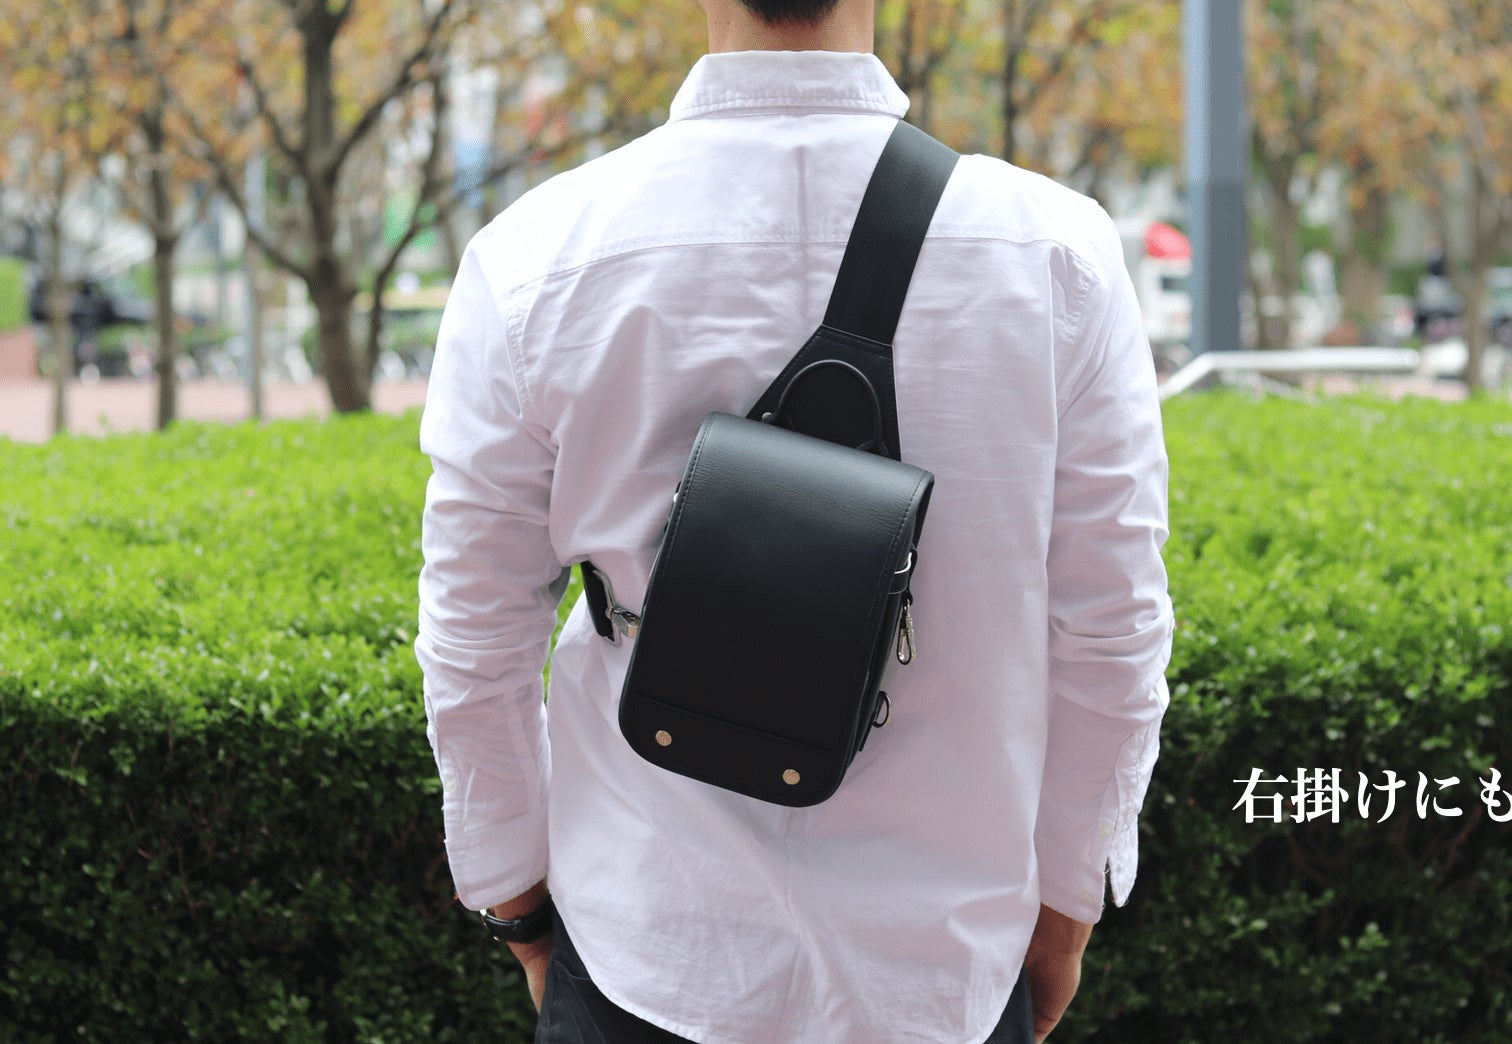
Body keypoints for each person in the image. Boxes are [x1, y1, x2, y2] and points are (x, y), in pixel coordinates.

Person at [414, 0, 1173, 1038]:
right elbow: (1112, 633)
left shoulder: (536, 257)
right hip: (942, 972)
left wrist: (519, 909)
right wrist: (1063, 913)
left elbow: (474, 639)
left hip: (644, 955)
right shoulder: (1057, 255)